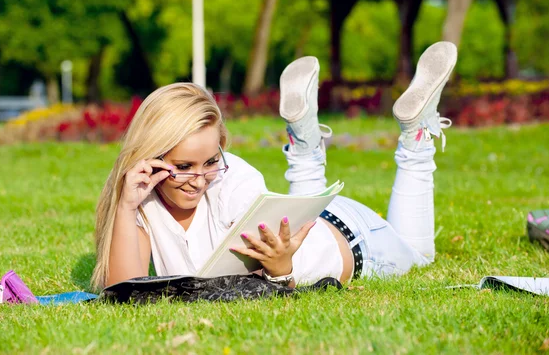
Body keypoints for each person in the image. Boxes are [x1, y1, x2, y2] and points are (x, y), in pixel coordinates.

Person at [91, 41, 458, 290]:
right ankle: (304, 143)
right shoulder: (143, 194)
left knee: (420, 256)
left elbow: (267, 283)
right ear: (151, 156)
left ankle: (417, 137)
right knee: (293, 211)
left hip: (355, 239)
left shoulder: (234, 180)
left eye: (211, 161)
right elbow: (126, 293)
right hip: (308, 216)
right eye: (183, 166)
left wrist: (280, 270)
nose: (199, 180)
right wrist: (125, 206)